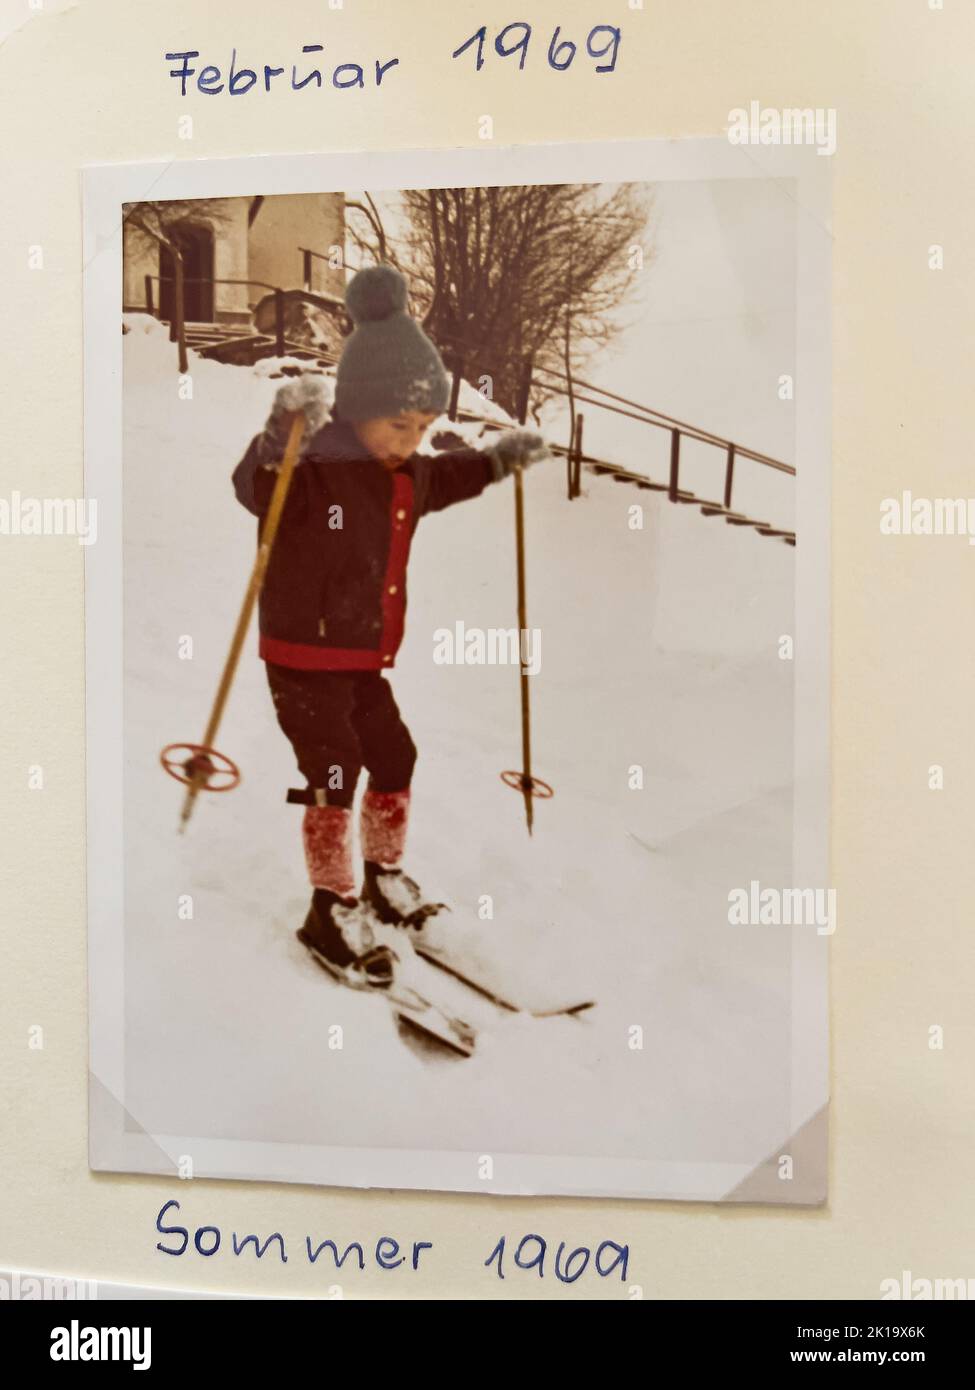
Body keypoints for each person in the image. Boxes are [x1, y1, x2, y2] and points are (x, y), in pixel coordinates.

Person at [232, 263, 550, 985]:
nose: (410, 439)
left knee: (395, 756)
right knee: (333, 769)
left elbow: (455, 473)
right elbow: (257, 484)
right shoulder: (313, 465)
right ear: (355, 411)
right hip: (300, 656)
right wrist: (281, 427)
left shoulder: (409, 473)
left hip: (362, 658)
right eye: (397, 423)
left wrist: (502, 459)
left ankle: (382, 874)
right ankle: (331, 903)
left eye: (422, 426)